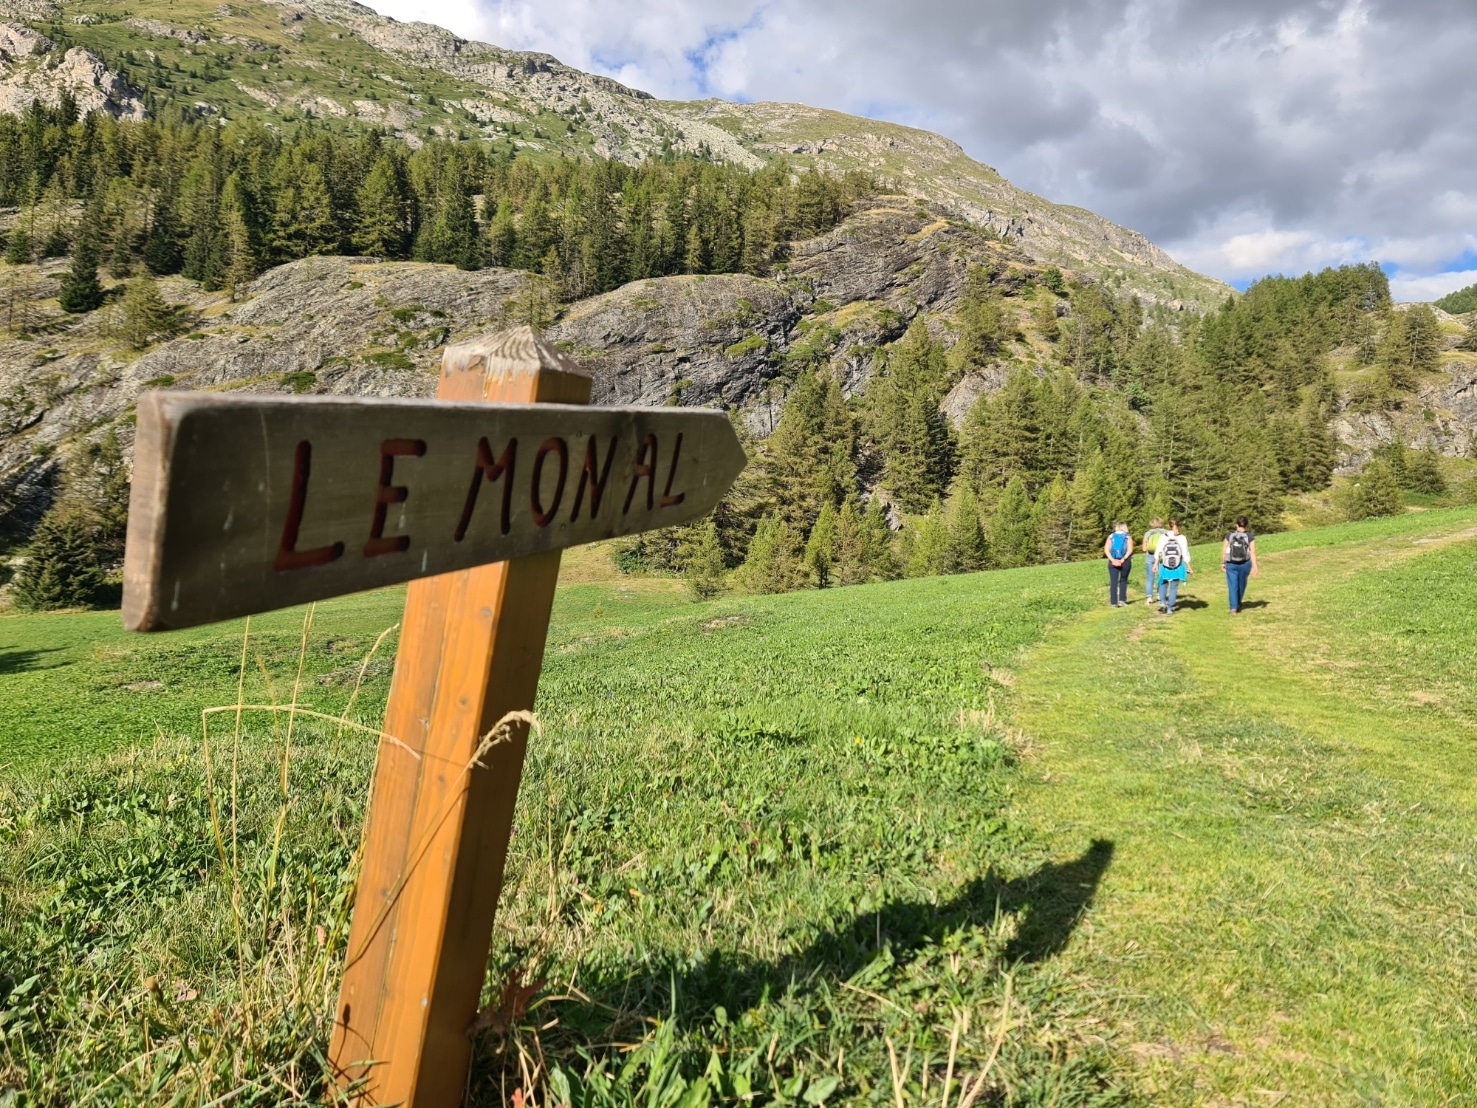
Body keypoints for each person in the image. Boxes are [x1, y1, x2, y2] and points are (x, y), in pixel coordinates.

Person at [1222, 515, 1259, 613]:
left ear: (1236, 525)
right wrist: (1255, 567)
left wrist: (1223, 563)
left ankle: (1233, 608)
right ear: (1246, 525)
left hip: (1231, 563)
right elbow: (1252, 552)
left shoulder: (1229, 536)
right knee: (1242, 584)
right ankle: (1238, 603)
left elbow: (1224, 550)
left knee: (1232, 585)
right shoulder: (1250, 537)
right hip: (1245, 564)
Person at [1155, 520, 1191, 615]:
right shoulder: (1182, 538)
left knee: (1163, 583)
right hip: (1177, 565)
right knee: (1174, 587)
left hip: (1164, 564)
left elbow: (1158, 552)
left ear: (1169, 526)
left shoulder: (1163, 537)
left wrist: (1155, 564)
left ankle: (1162, 603)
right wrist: (1189, 567)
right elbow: (1185, 553)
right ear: (1178, 526)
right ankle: (1170, 608)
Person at [1102, 522, 1134, 608]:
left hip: (1113, 560)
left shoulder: (1111, 536)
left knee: (1113, 581)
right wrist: (1123, 559)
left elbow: (1106, 550)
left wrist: (1112, 560)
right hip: (1125, 561)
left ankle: (1113, 603)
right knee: (1123, 580)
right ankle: (1122, 600)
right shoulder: (1128, 536)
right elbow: (1130, 550)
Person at [1142, 517, 1168, 607]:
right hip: (1162, 556)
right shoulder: (1166, 532)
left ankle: (1149, 598)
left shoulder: (1148, 533)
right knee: (1161, 576)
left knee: (1150, 578)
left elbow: (1144, 548)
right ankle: (1160, 595)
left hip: (1150, 555)